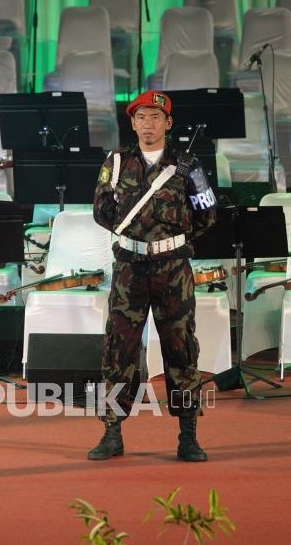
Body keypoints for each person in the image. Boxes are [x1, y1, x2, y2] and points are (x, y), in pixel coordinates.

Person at [91, 90, 216, 462]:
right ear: (132, 123)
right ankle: (112, 432)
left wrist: (172, 241)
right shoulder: (115, 162)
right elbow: (101, 211)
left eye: (156, 118)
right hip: (129, 268)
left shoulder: (188, 166)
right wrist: (137, 237)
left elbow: (207, 214)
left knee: (181, 349)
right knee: (119, 350)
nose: (148, 124)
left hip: (172, 269)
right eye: (142, 117)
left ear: (168, 123)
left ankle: (188, 435)